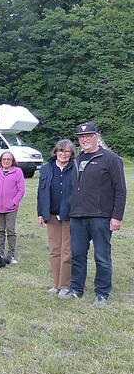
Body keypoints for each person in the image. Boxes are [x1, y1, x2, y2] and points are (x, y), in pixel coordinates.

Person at [66, 122, 126, 307]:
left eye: (88, 136)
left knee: (101, 256)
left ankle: (102, 294)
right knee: (77, 255)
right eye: (81, 137)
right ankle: (76, 289)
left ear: (97, 136)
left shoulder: (111, 159)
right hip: (77, 217)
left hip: (100, 217)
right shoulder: (76, 160)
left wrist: (116, 217)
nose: (84, 139)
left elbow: (120, 190)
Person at [37, 140, 76, 297]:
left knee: (67, 251)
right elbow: (41, 192)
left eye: (67, 151)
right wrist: (40, 213)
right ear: (56, 152)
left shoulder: (76, 168)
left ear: (71, 154)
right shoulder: (46, 168)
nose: (63, 153)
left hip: (69, 216)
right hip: (51, 215)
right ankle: (56, 284)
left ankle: (65, 285)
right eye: (61, 150)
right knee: (54, 251)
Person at [0, 151, 25, 264]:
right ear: (0, 160)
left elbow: (21, 190)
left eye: (9, 159)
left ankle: (11, 255)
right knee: (0, 231)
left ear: (12, 160)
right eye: (4, 159)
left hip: (11, 208)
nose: (6, 161)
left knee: (10, 231)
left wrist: (14, 202)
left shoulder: (17, 172)